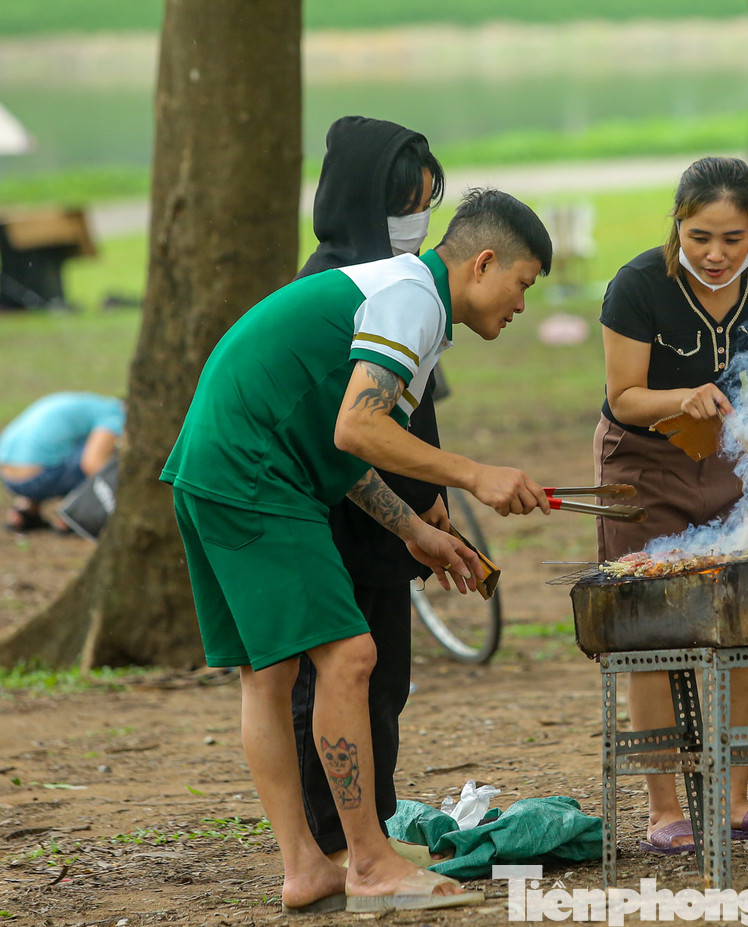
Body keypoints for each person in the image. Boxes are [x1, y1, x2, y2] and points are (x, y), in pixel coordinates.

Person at [160, 189, 553, 913]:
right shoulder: (412, 298)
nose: (522, 304)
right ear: (484, 262)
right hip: (254, 470)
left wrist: (414, 530)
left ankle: (308, 866)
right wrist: (475, 474)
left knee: (267, 675)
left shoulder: (402, 298)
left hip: (214, 464)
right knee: (350, 656)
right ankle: (368, 862)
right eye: (523, 284)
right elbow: (357, 427)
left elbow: (344, 445)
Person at [597, 156, 748, 853]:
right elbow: (624, 395)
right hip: (645, 462)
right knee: (653, 632)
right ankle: (664, 809)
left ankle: (737, 797)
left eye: (732, 239)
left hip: (728, 455)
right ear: (677, 225)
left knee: (743, 619)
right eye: (699, 236)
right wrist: (681, 397)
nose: (715, 254)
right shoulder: (637, 286)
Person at [288, 116, 447, 869]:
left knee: (389, 677)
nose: (416, 226)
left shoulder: (403, 284)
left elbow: (417, 405)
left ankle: (374, 826)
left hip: (390, 521)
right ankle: (337, 836)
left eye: (425, 207)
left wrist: (435, 500)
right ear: (358, 203)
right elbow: (348, 431)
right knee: (335, 674)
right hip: (329, 512)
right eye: (404, 208)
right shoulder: (327, 284)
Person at [0, 391, 124, 532]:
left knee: (60, 446)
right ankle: (70, 516)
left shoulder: (92, 404)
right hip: (38, 476)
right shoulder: (115, 414)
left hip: (8, 476)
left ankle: (26, 509)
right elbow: (93, 465)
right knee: (109, 457)